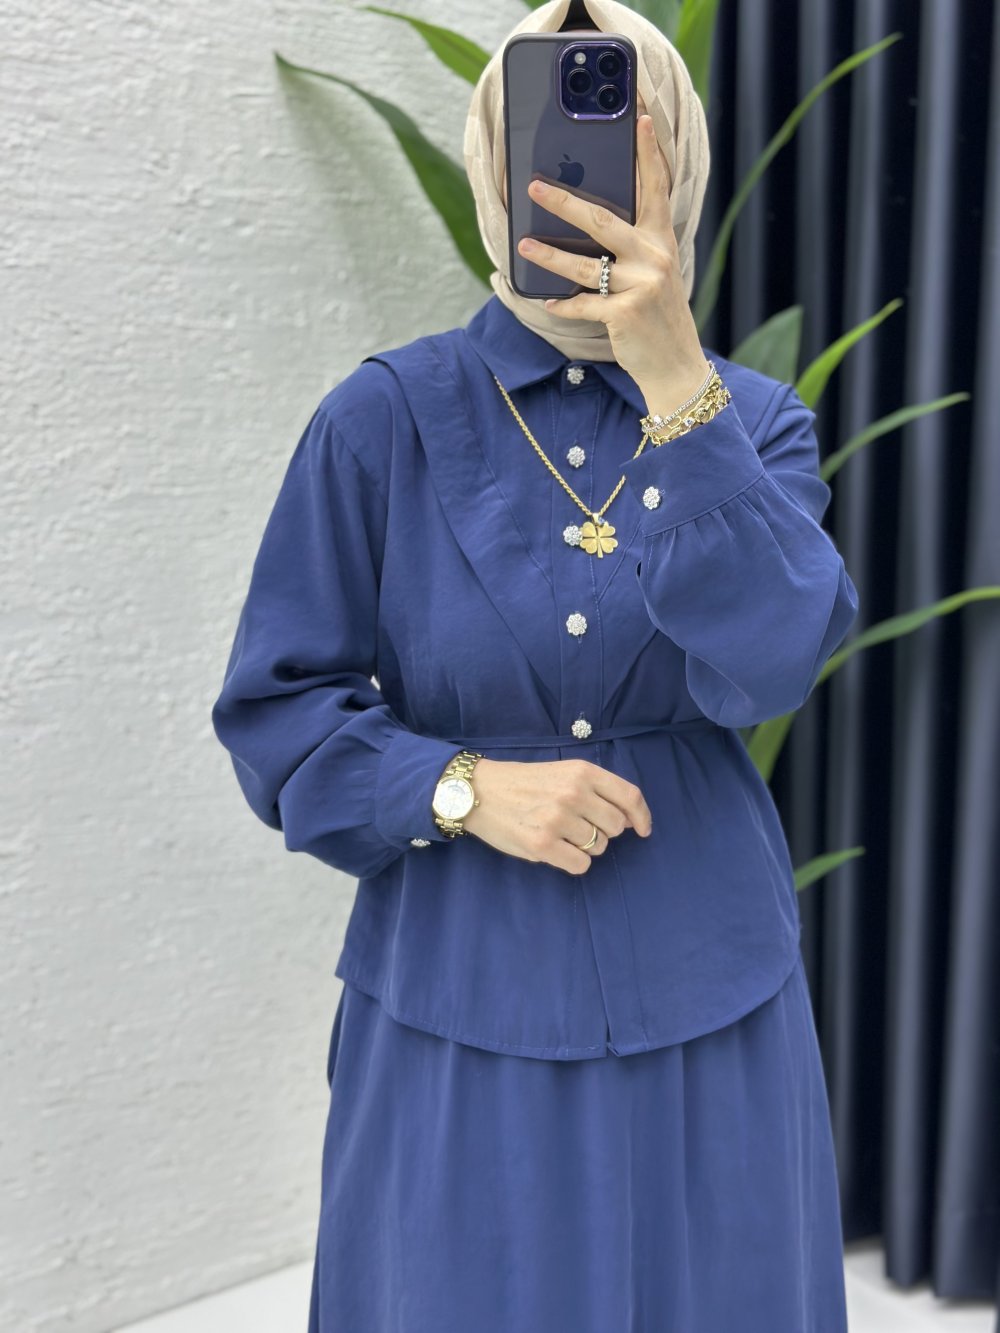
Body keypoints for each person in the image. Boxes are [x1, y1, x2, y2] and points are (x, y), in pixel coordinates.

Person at [210, 0, 860, 1327]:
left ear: (675, 159)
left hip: (711, 995)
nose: (578, 180)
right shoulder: (381, 420)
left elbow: (778, 659)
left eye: (623, 140)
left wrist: (677, 380)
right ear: (493, 165)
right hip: (458, 992)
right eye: (543, 143)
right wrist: (460, 786)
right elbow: (278, 710)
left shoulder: (758, 425)